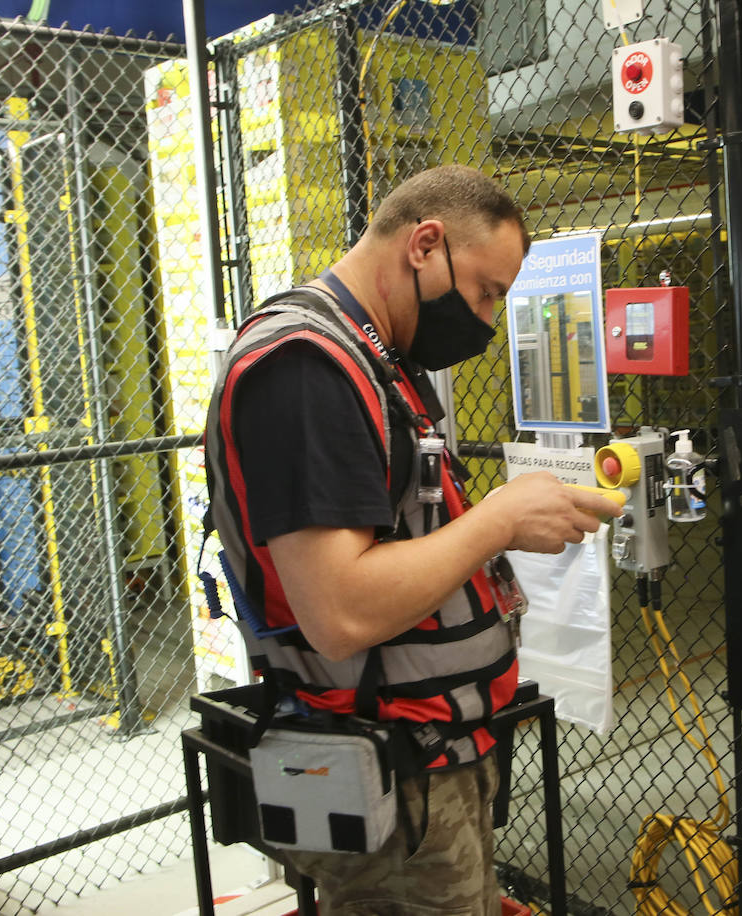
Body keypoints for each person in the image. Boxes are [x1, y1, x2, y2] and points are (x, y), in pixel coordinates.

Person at [202, 165, 621, 914]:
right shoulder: (306, 369)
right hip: (392, 777)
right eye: (487, 291)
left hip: (429, 766)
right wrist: (498, 520)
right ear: (425, 245)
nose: (488, 322)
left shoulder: (382, 365)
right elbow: (339, 612)